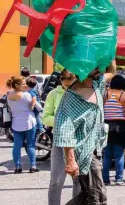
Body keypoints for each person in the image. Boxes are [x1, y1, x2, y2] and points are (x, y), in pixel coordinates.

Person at [53, 61, 116, 204]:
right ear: (81, 69)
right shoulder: (71, 98)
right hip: (82, 154)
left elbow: (112, 72)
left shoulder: (97, 85)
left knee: (88, 195)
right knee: (97, 196)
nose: (99, 69)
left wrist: (110, 48)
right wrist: (70, 161)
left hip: (95, 150)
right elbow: (64, 131)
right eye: (94, 67)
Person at [45, 69, 80, 205]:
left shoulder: (80, 93)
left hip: (78, 140)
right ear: (61, 82)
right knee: (56, 180)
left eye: (70, 85)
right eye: (65, 86)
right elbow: (46, 117)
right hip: (59, 141)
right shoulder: (54, 94)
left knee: (79, 179)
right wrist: (62, 121)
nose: (68, 88)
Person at [102, 75, 125, 185]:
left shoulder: (104, 93)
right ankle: (119, 178)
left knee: (107, 154)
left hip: (105, 126)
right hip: (119, 126)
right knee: (119, 154)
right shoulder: (124, 95)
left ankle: (105, 179)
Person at [6, 76, 39, 174]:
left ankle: (17, 166)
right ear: (16, 85)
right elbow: (37, 106)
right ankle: (33, 166)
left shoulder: (9, 96)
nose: (25, 85)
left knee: (17, 146)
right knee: (31, 145)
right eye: (23, 84)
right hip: (29, 122)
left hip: (16, 123)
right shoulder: (27, 95)